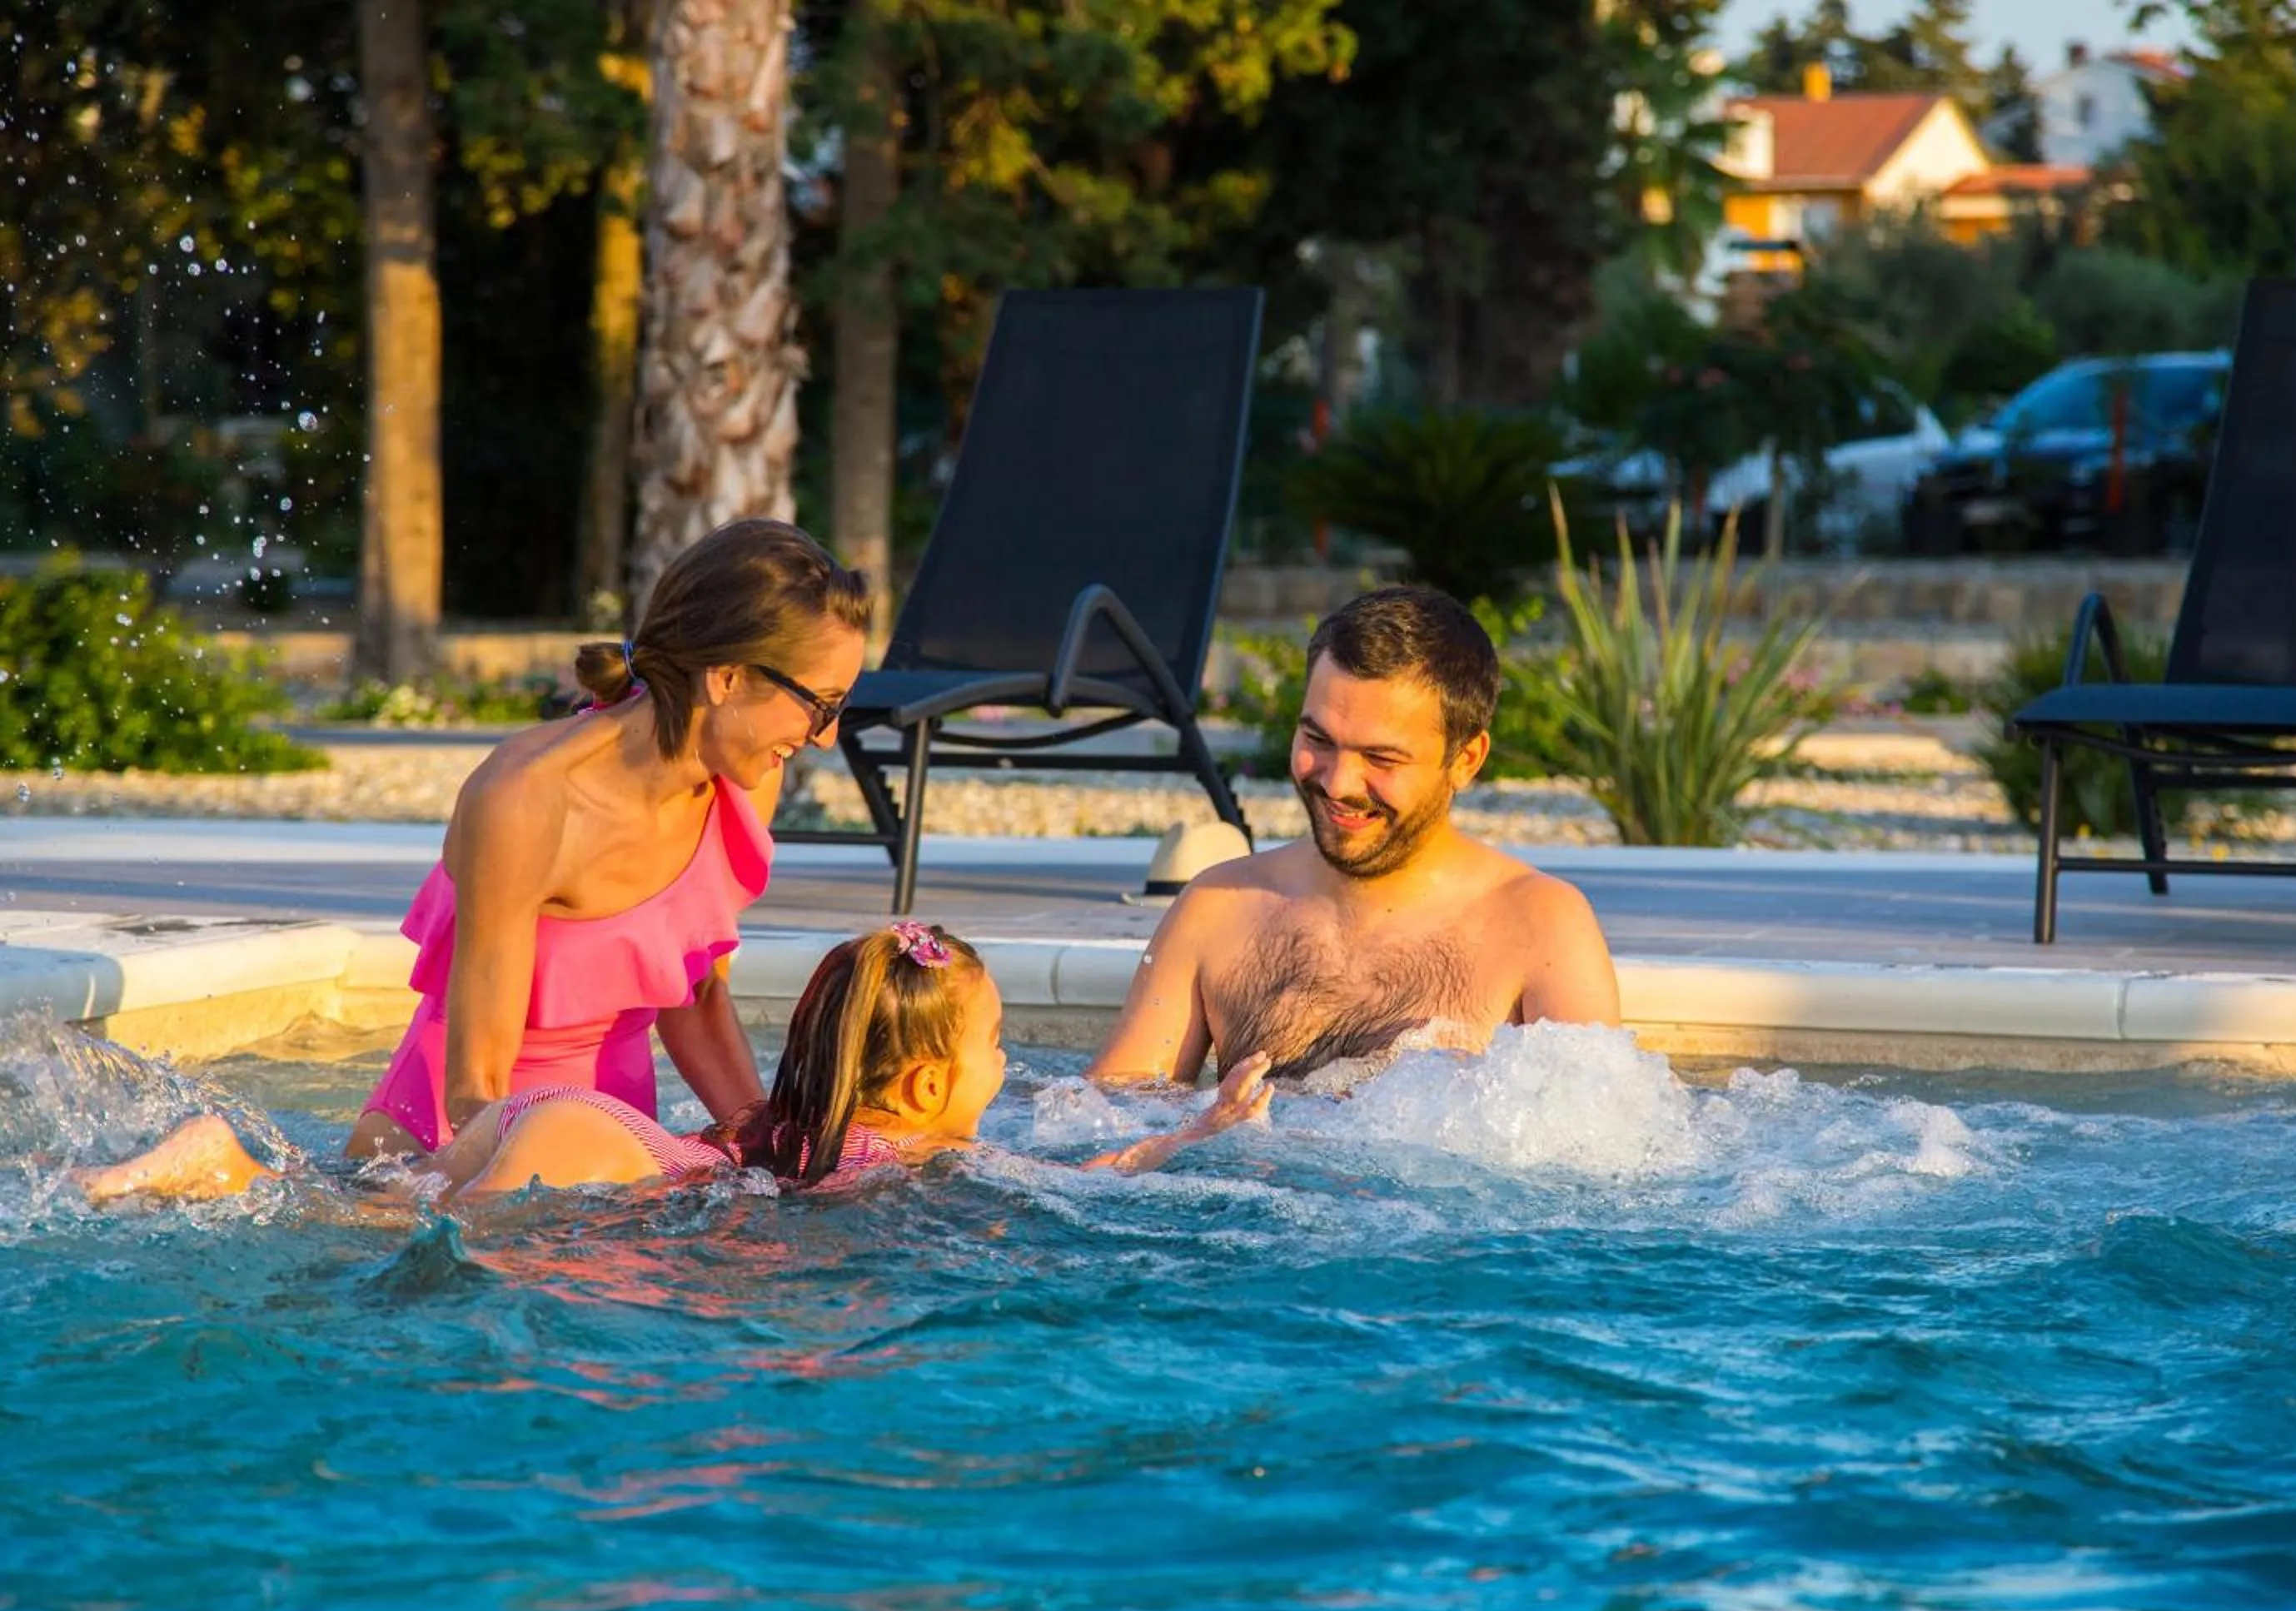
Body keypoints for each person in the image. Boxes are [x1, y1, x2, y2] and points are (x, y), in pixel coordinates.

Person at [77, 923, 1274, 1204]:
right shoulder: (905, 1159)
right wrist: (1196, 1138)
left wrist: (1194, 1130)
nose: (1005, 1068)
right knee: (360, 1237)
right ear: (918, 1089)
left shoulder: (792, 1130)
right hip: (597, 1149)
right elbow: (1087, 1177)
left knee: (382, 1200)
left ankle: (250, 1159)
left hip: (578, 1122)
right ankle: (227, 1162)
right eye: (997, 1049)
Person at [347, 516, 869, 1160]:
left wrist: (772, 1147)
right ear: (727, 679)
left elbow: (696, 995)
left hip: (615, 1140)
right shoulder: (526, 799)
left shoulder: (745, 781)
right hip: (449, 1146)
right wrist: (540, 1183)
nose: (825, 737)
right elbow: (476, 1088)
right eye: (821, 705)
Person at [1090, 585, 1621, 1088]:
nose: (1338, 783)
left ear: (1466, 760)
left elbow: (1592, 1164)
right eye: (1317, 739)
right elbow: (1107, 1123)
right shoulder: (1217, 909)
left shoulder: (1541, 929)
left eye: (1380, 757)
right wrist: (1199, 1134)